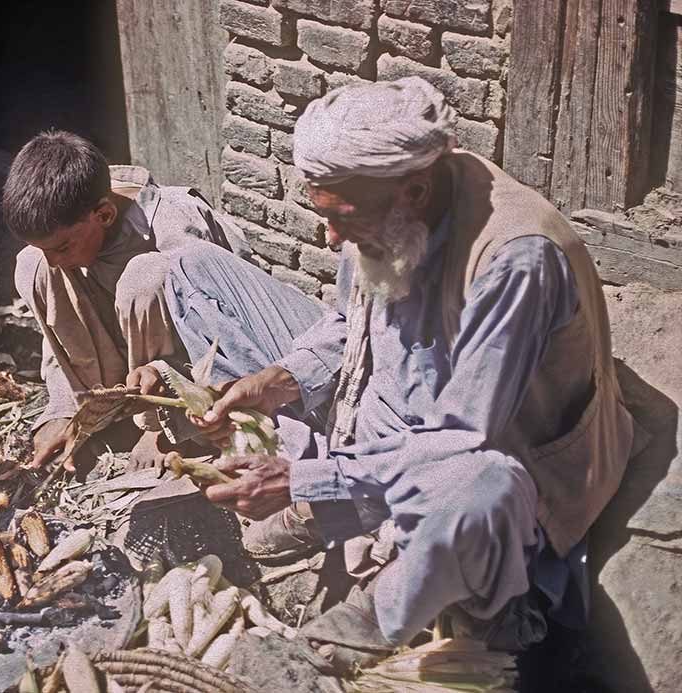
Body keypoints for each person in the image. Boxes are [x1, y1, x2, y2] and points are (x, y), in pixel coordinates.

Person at [137, 77, 636, 673]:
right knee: (192, 270)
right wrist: (278, 381)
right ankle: (332, 494)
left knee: (479, 487)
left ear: (415, 192)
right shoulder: (388, 206)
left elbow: (458, 443)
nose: (328, 237)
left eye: (338, 218)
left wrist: (307, 483)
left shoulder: (515, 261)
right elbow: (353, 324)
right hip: (374, 424)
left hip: (491, 465)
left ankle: (408, 607)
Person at [5, 130, 279, 471]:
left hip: (201, 363)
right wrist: (61, 408)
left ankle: (162, 423)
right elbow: (58, 336)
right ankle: (88, 412)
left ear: (104, 215)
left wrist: (162, 410)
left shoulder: (174, 224)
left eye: (62, 247)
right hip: (125, 360)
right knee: (31, 265)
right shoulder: (66, 242)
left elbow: (224, 335)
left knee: (146, 277)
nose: (56, 261)